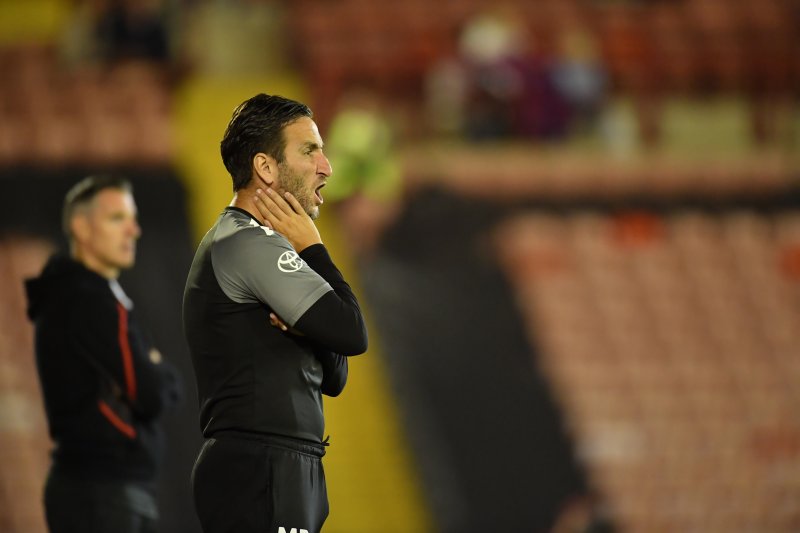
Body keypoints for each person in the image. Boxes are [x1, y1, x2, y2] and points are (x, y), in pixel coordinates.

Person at [183, 93, 368, 533]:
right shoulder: (246, 244)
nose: (327, 167)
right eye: (310, 150)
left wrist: (311, 330)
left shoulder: (268, 250)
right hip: (258, 467)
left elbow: (336, 376)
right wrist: (314, 249)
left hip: (287, 464)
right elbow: (352, 332)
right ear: (265, 167)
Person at [25, 175, 181, 533]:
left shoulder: (91, 297)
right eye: (117, 218)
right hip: (102, 491)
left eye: (133, 218)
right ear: (81, 227)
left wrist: (157, 375)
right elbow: (151, 393)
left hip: (106, 490)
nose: (134, 231)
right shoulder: (88, 300)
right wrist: (158, 372)